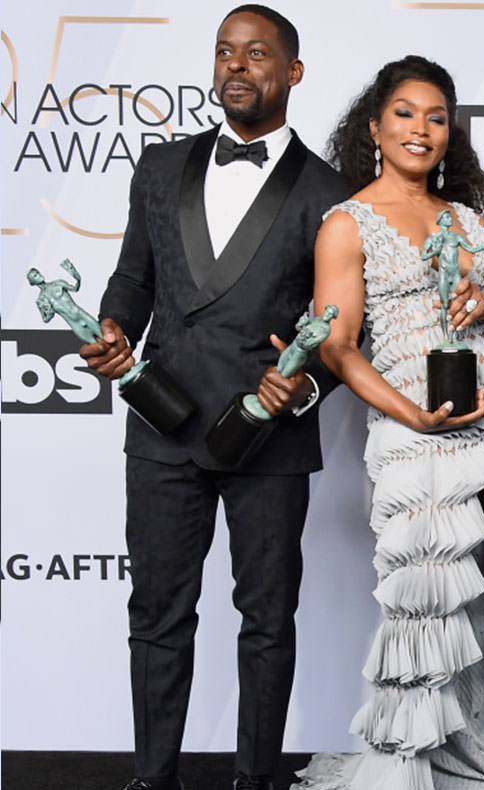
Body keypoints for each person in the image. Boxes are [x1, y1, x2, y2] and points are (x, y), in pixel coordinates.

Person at [77, 6, 347, 789]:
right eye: (225, 51)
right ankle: (152, 777)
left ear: (293, 72)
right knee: (157, 613)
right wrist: (114, 327)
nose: (236, 66)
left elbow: (342, 329)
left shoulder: (333, 194)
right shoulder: (160, 166)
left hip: (270, 435)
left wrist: (303, 386)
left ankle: (256, 781)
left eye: (256, 54)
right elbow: (133, 278)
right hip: (162, 423)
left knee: (267, 622)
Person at [295, 55, 484, 790]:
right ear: (374, 127)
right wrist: (409, 413)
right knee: (426, 591)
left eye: (436, 117)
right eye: (405, 114)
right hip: (417, 418)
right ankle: (409, 768)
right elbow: (339, 346)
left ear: (449, 133)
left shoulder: (470, 220)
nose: (421, 129)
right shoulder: (346, 224)